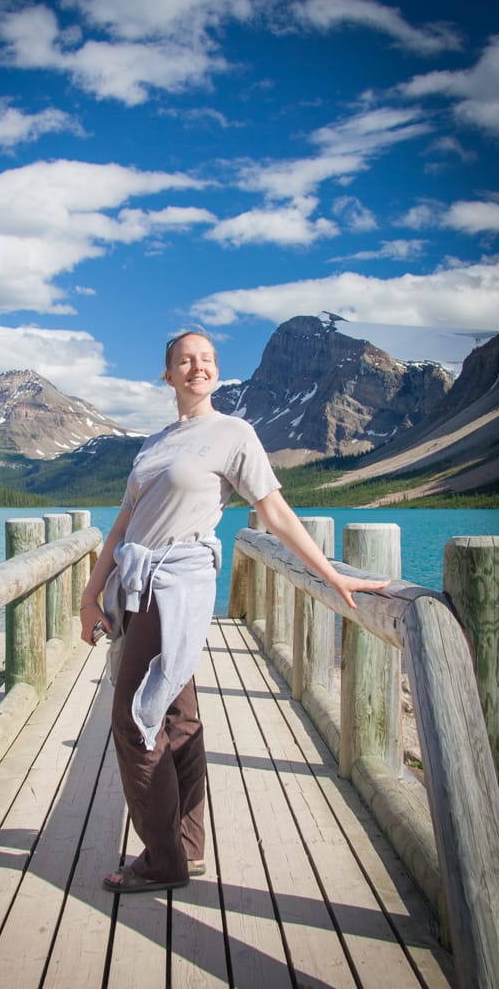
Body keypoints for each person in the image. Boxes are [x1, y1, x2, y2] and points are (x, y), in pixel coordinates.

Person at [79, 331, 389, 894]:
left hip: (175, 588)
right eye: (184, 360)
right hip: (136, 586)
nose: (196, 367)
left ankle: (162, 860)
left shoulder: (233, 434)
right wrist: (89, 597)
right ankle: (186, 846)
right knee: (177, 716)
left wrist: (332, 574)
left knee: (133, 717)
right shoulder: (154, 443)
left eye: (206, 359)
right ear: (168, 375)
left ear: (216, 372)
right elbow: (123, 527)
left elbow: (275, 513)